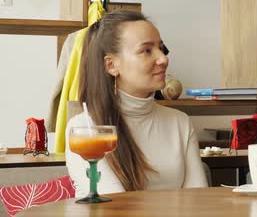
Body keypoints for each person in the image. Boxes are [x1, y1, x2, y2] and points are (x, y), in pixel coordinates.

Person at [66, 10, 208, 197]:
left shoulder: (179, 122)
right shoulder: (84, 129)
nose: (163, 59)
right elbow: (115, 207)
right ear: (111, 65)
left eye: (161, 48)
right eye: (146, 50)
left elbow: (198, 200)